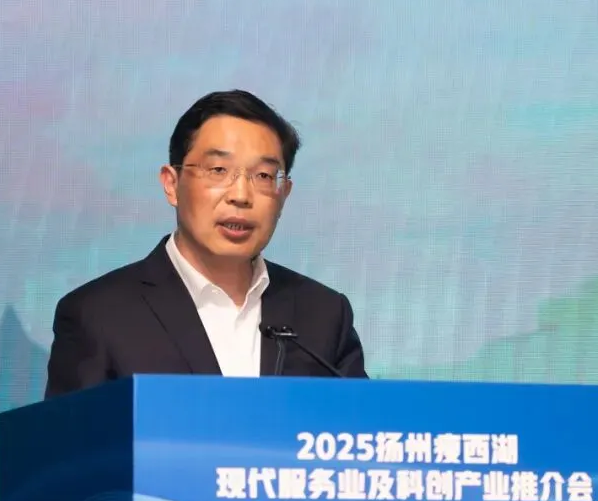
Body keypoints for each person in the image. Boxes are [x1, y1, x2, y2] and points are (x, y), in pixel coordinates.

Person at [43, 89, 368, 398]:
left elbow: (364, 427)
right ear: (172, 184)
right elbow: (72, 438)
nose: (241, 195)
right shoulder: (98, 315)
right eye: (218, 170)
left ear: (284, 194)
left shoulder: (324, 315)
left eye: (264, 176)